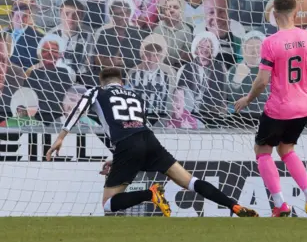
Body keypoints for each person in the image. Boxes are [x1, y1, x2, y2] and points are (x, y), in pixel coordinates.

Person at [45, 67, 258, 217]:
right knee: (190, 182)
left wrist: (61, 137)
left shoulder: (96, 91)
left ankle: (151, 193)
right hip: (149, 139)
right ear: (123, 83)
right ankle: (235, 206)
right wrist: (116, 157)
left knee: (108, 204)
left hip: (128, 146)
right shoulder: (136, 96)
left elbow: (78, 109)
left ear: (103, 83)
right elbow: (137, 125)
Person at [234, 0, 307, 218]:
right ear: (295, 12)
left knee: (263, 151)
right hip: (303, 107)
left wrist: (247, 99)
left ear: (274, 15)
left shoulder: (271, 42)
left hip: (279, 107)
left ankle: (280, 205)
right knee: (287, 149)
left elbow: (263, 81)